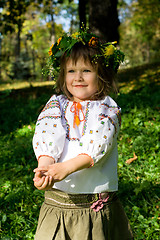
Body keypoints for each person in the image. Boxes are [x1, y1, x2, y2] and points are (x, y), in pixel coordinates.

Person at [33, 29, 133, 240]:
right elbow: (48, 133)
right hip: (57, 203)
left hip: (93, 206)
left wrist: (65, 168)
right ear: (62, 74)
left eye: (86, 70)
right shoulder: (56, 105)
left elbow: (98, 144)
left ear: (101, 74)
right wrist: (45, 168)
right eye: (71, 71)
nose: (78, 77)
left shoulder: (107, 108)